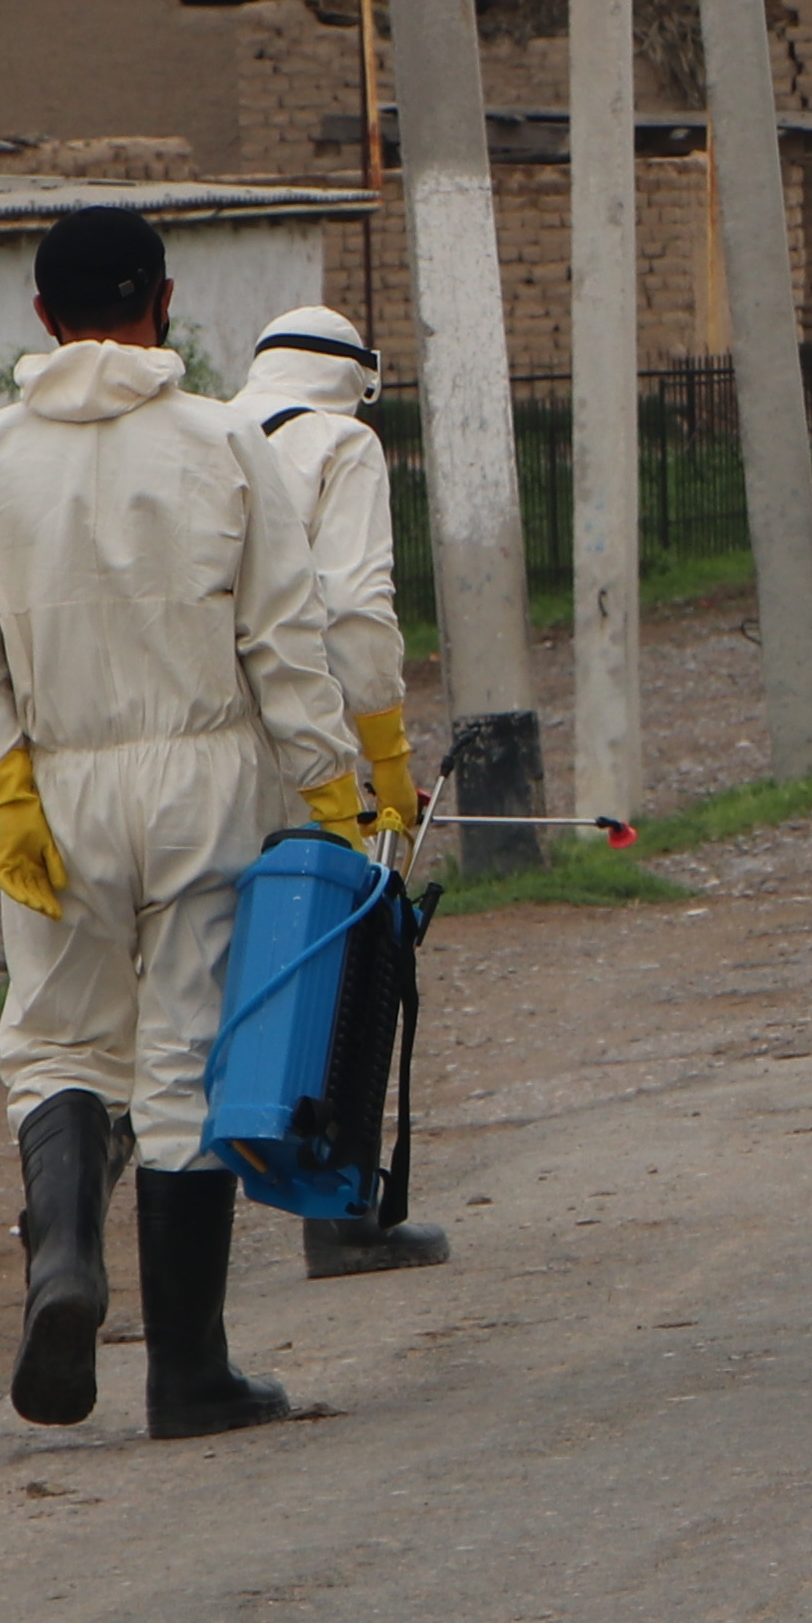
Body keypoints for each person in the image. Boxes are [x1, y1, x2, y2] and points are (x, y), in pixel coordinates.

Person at [0, 208, 361, 1443]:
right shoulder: (227, 437)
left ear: (41, 316)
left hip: (54, 784)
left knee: (58, 1044)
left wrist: (4, 785)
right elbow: (284, 636)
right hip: (206, 775)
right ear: (163, 302)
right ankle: (191, 1375)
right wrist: (331, 783)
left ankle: (62, 1254)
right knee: (182, 1061)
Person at [237, 303, 447, 1280]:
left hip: (204, 747)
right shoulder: (343, 444)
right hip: (308, 741)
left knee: (181, 990)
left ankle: (82, 1242)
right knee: (333, 963)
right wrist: (387, 761)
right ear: (357, 377)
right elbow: (356, 611)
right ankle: (338, 1216)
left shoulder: (208, 429)